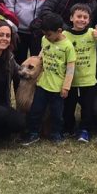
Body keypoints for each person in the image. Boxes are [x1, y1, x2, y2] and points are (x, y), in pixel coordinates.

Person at [22, 12, 76, 145]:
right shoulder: (45, 39)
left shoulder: (68, 47)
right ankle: (33, 133)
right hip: (42, 84)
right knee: (36, 110)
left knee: (57, 114)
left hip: (57, 88)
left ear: (59, 31)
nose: (46, 37)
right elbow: (43, 51)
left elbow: (70, 69)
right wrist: (39, 58)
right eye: (44, 34)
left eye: (49, 34)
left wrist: (66, 87)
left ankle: (56, 134)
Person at [32, 0, 97, 57]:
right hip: (50, 34)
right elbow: (45, 11)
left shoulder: (93, 2)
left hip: (72, 41)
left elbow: (87, 26)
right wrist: (66, 29)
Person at [63, 3, 97, 142]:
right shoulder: (65, 35)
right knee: (69, 105)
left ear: (89, 20)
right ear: (71, 18)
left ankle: (84, 129)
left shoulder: (92, 33)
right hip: (70, 79)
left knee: (87, 106)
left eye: (85, 17)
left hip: (88, 79)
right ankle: (68, 127)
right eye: (79, 16)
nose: (82, 20)